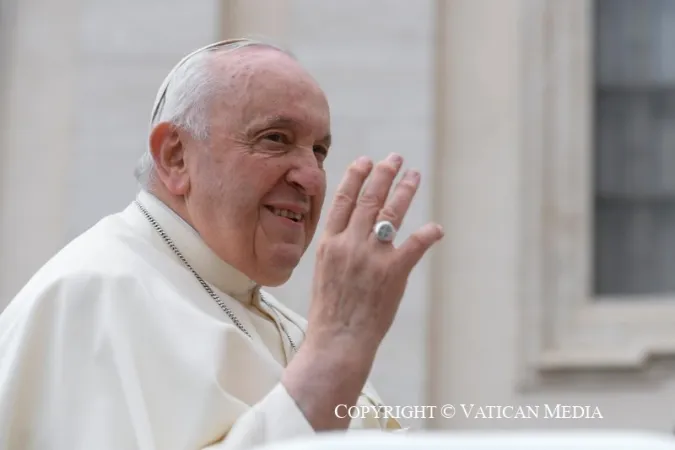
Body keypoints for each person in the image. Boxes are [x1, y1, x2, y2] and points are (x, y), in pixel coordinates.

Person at [0, 38, 444, 450]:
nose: (310, 177)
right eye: (275, 139)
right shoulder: (92, 297)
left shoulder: (277, 319)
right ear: (175, 156)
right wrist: (338, 346)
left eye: (320, 151)